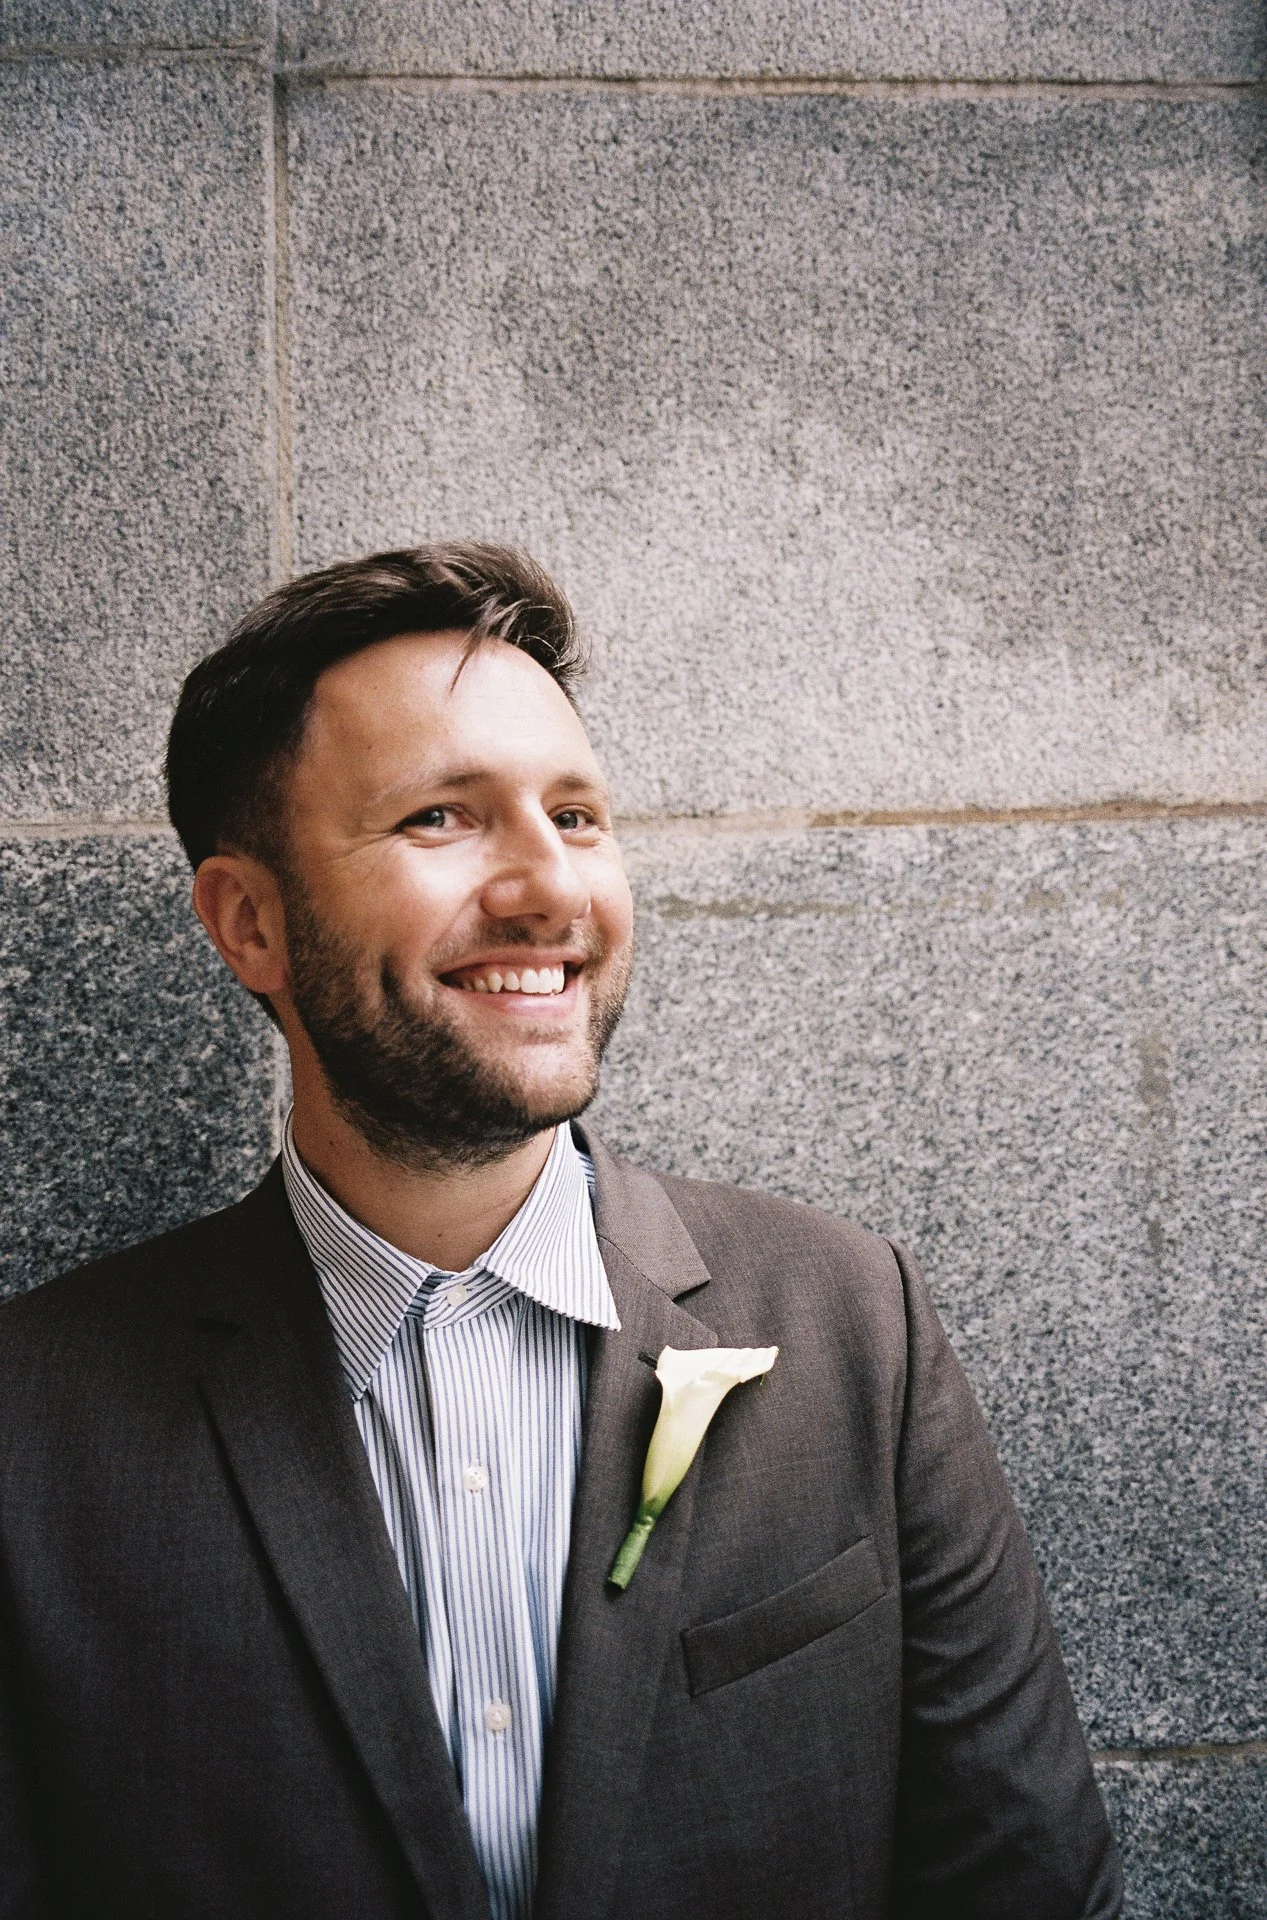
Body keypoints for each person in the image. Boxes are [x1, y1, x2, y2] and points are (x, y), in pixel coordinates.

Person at [0, 545, 1123, 1920]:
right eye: (439, 820)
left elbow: (1022, 1885)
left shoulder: (850, 1325)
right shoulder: (34, 1422)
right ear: (250, 921)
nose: (549, 890)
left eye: (577, 816)